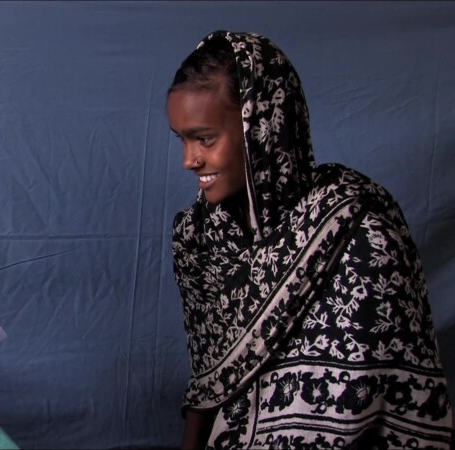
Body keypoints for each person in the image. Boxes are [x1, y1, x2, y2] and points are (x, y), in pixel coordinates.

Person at [167, 31, 452, 448]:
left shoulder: (360, 234)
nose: (189, 160)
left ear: (260, 130)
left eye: (205, 138)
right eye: (183, 139)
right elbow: (208, 385)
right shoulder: (199, 238)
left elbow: (394, 406)